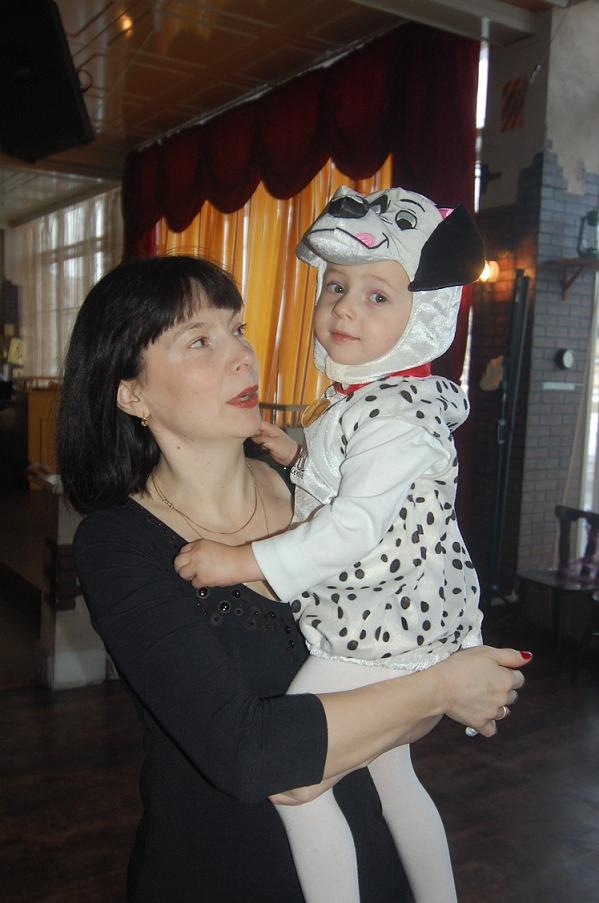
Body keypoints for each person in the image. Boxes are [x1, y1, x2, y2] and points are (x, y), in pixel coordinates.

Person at [57, 254, 529, 903]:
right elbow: (253, 756)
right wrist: (444, 686)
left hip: (373, 863)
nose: (241, 357)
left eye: (237, 330)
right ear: (131, 392)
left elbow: (401, 658)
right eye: (199, 341)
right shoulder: (119, 544)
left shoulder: (325, 491)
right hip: (224, 876)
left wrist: (428, 690)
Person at [172, 188, 504, 903]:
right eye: (335, 287)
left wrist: (240, 562)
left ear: (426, 313)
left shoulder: (394, 419)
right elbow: (358, 487)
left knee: (292, 780)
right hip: (405, 611)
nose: (345, 308)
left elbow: (351, 527)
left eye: (377, 296)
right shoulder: (379, 401)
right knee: (394, 776)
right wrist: (298, 455)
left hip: (379, 624)